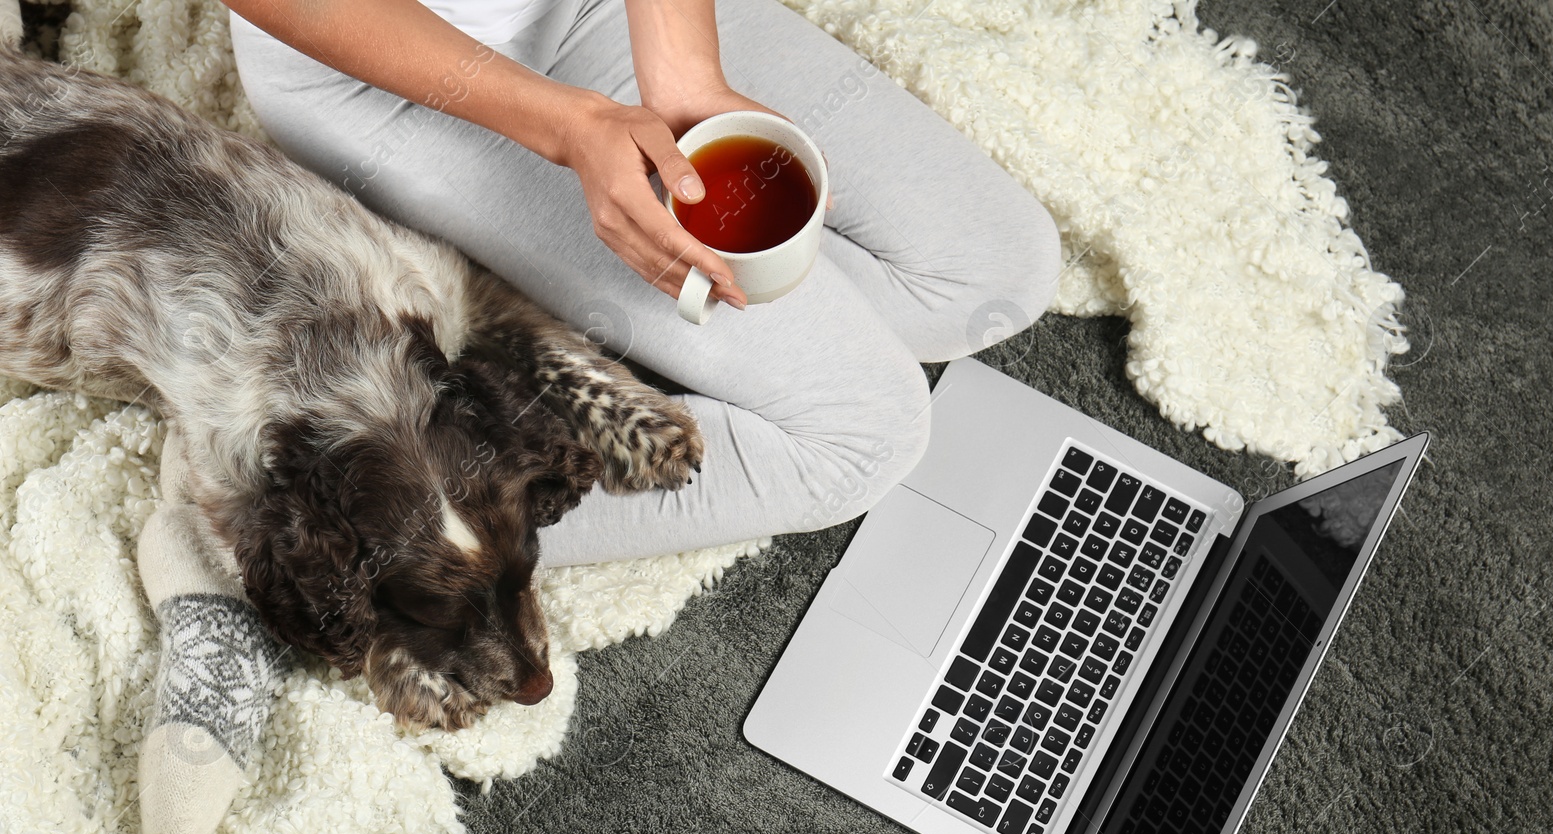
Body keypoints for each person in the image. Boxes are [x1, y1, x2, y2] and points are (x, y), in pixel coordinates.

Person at [222, 0, 1063, 568]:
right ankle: (324, 523)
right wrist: (569, 127)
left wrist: (684, 71)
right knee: (861, 436)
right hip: (389, 72)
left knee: (991, 269)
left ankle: (650, 351)